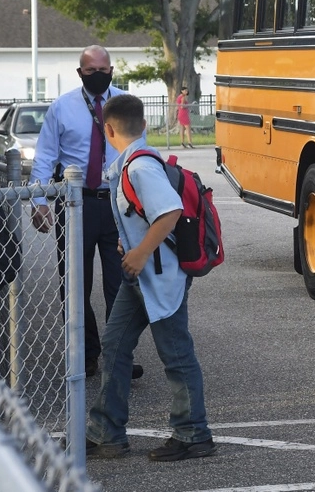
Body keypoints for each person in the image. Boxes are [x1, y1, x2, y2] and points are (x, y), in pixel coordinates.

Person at [85, 94, 215, 461]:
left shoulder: (140, 167)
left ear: (108, 130)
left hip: (159, 275)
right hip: (142, 276)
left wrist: (140, 252)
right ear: (143, 125)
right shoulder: (136, 162)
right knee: (114, 347)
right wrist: (134, 250)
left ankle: (194, 434)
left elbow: (170, 212)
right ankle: (107, 432)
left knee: (175, 353)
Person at [30, 45, 141, 380]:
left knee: (120, 283)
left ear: (111, 70)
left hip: (117, 205)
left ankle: (119, 353)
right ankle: (86, 354)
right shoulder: (61, 108)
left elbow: (140, 153)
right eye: (90, 70)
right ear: (80, 73)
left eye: (103, 69)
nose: (98, 75)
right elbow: (45, 157)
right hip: (75, 206)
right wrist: (39, 202)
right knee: (75, 284)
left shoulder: (125, 105)